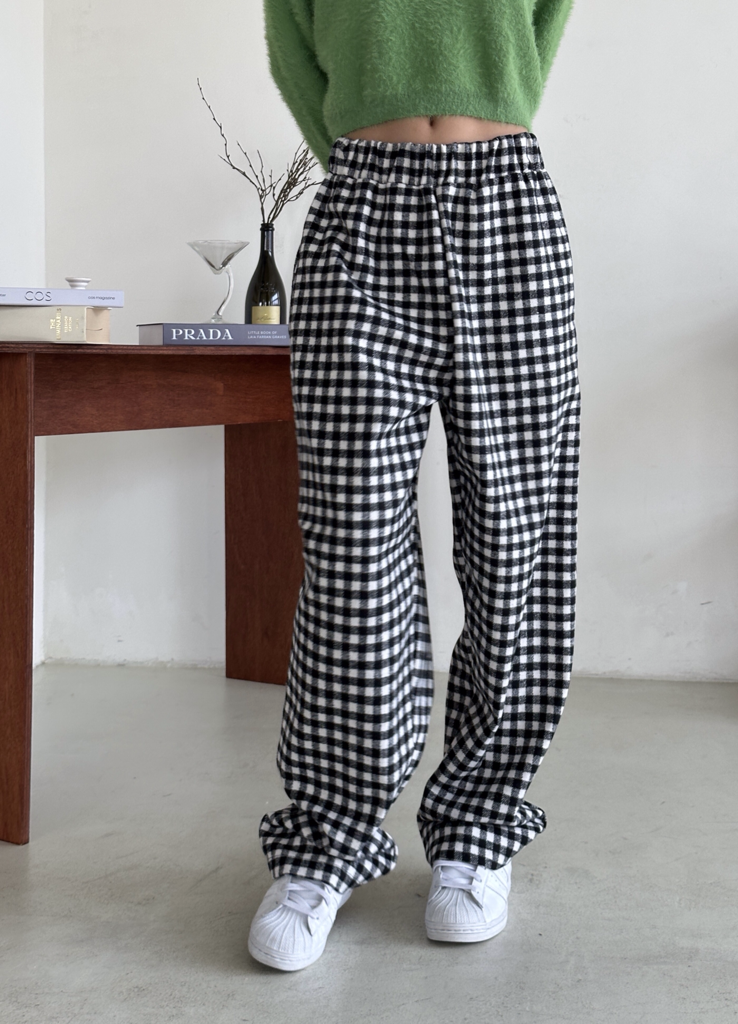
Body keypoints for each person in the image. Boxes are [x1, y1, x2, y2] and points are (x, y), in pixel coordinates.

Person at [248, 0, 579, 971]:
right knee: (352, 546)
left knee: (515, 538)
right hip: (361, 211)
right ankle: (328, 839)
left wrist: (488, 118)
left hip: (507, 206)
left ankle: (479, 827)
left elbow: (540, 30)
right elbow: (292, 50)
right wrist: (370, 160)